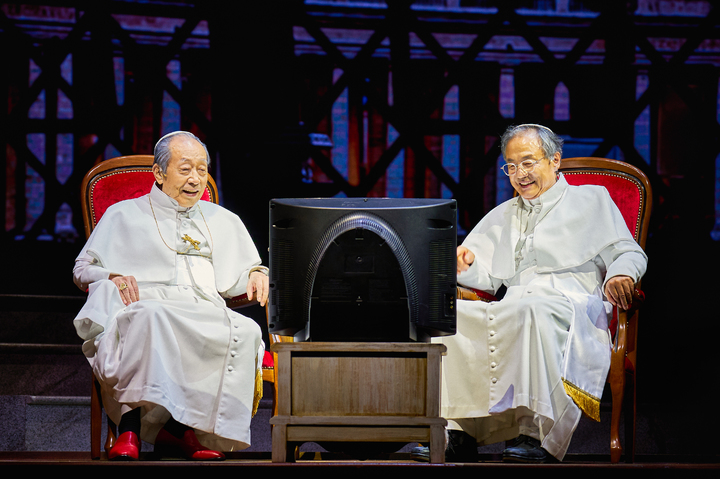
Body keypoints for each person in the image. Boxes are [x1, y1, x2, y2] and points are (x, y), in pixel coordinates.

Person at [427, 124, 647, 463]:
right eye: (511, 166)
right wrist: (466, 266)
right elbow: (488, 279)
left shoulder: (592, 200)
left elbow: (628, 253)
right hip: (517, 305)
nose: (519, 174)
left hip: (573, 305)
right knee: (453, 321)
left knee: (531, 309)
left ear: (554, 160)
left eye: (528, 163)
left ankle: (536, 435)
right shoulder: (503, 214)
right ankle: (457, 431)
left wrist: (621, 275)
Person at [73, 131, 269, 461]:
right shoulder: (123, 214)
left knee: (247, 330)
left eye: (202, 170)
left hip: (202, 308)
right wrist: (112, 276)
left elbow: (244, 272)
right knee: (153, 318)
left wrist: (256, 273)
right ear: (159, 173)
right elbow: (82, 270)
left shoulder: (223, 220)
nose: (196, 179)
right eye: (185, 169)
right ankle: (130, 429)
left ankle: (181, 430)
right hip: (141, 305)